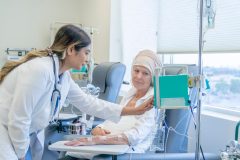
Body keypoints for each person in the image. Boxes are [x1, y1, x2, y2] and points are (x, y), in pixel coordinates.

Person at [0, 24, 153, 160]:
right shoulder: (39, 70)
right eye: (86, 52)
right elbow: (19, 118)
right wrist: (21, 154)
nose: (88, 58)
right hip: (5, 132)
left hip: (20, 133)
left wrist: (134, 110)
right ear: (71, 49)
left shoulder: (63, 75)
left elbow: (88, 103)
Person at [64, 50, 162, 160]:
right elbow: (114, 118)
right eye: (136, 71)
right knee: (69, 153)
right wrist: (98, 128)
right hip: (107, 146)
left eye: (145, 73)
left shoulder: (153, 101)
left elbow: (135, 136)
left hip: (126, 152)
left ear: (153, 77)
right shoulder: (130, 94)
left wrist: (97, 140)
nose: (138, 76)